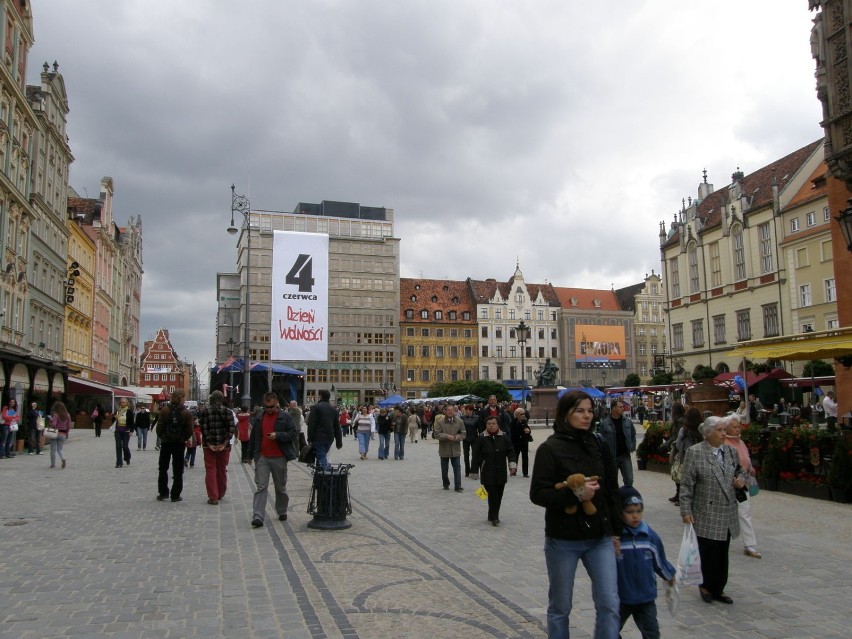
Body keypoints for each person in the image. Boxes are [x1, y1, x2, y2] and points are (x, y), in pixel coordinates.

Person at [529, 390, 621, 639]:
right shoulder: (550, 448)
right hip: (564, 538)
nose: (587, 416)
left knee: (610, 603)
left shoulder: (599, 444)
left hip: (599, 536)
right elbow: (538, 493)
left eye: (590, 410)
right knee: (561, 606)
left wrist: (617, 531)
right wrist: (576, 496)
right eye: (580, 411)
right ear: (566, 413)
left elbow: (612, 489)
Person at [679, 415, 748, 605]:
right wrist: (686, 511)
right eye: (720, 430)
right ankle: (705, 585)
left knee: (722, 553)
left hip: (726, 510)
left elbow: (741, 471)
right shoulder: (695, 452)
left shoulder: (730, 452)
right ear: (708, 433)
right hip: (706, 511)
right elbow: (686, 484)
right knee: (708, 552)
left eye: (725, 430)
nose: (724, 434)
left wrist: (741, 479)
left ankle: (719, 587)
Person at [616, 486, 675, 639]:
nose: (635, 516)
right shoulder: (616, 538)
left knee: (652, 632)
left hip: (645, 596)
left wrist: (668, 574)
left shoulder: (648, 535)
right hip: (621, 597)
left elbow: (659, 559)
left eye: (638, 511)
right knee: (610, 629)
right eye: (629, 512)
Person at [249, 392, 298, 527]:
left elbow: (293, 433)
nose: (269, 409)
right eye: (266, 407)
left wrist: (278, 435)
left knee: (280, 487)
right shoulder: (260, 417)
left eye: (271, 406)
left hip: (279, 457)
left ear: (276, 403)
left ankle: (282, 510)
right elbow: (254, 437)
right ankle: (258, 516)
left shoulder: (285, 417)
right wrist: (249, 455)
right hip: (263, 457)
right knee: (261, 486)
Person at [723, 414, 761, 559]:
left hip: (742, 484)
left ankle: (749, 545)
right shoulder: (724, 443)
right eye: (734, 427)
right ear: (726, 428)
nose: (738, 429)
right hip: (728, 485)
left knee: (745, 513)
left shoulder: (741, 442)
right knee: (723, 515)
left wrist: (750, 468)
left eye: (739, 426)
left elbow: (746, 459)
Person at [472, 415, 514, 525]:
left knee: (499, 495)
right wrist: (474, 471)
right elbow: (475, 455)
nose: (491, 426)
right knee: (492, 494)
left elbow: (510, 451)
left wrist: (512, 465)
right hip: (487, 471)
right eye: (489, 424)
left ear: (497, 425)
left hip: (501, 471)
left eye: (493, 424)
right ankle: (495, 517)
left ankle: (492, 514)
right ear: (486, 425)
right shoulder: (481, 437)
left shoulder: (504, 436)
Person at [155, 390, 194, 502]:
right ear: (182, 398)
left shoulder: (165, 410)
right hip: (179, 443)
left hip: (166, 442)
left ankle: (163, 493)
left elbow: (159, 427)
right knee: (178, 470)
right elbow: (189, 429)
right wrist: (183, 438)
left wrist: (163, 437)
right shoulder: (186, 412)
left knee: (163, 468)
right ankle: (175, 495)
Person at [198, 390, 235, 505]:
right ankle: (221, 492)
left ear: (212, 399)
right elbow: (231, 429)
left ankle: (213, 496)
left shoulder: (206, 412)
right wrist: (224, 444)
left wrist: (209, 444)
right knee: (222, 469)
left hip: (209, 447)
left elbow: (204, 429)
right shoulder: (228, 412)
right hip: (224, 446)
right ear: (222, 399)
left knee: (210, 470)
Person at [597, 399, 637, 487]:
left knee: (629, 480)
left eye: (623, 407)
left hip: (625, 456)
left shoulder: (627, 421)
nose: (623, 408)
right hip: (612, 457)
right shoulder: (605, 423)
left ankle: (627, 498)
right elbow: (601, 439)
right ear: (614, 408)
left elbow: (633, 434)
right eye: (620, 407)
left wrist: (633, 446)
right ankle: (615, 498)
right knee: (612, 481)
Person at [307, 389, 342, 470]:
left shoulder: (316, 407)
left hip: (319, 436)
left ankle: (326, 473)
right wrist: (339, 442)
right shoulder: (334, 410)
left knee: (321, 455)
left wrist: (310, 439)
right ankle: (319, 476)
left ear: (320, 397)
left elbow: (311, 424)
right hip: (330, 437)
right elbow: (337, 427)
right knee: (321, 455)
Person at [433, 404, 466, 492]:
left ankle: (458, 486)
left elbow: (463, 434)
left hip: (455, 449)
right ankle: (446, 483)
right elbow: (436, 434)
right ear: (445, 411)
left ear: (454, 411)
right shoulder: (440, 422)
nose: (450, 411)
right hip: (444, 448)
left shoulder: (459, 421)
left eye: (452, 410)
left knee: (457, 468)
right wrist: (446, 436)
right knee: (444, 469)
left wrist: (457, 437)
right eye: (448, 410)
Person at [48, 401, 72, 469]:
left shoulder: (56, 415)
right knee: (60, 449)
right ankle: (63, 458)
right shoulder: (68, 415)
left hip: (55, 433)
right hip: (63, 433)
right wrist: (66, 433)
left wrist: (50, 421)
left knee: (53, 449)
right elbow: (69, 426)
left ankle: (53, 464)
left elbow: (53, 425)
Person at [509, 406, 532, 478]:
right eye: (521, 414)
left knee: (525, 457)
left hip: (524, 442)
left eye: (524, 413)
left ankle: (525, 473)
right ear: (517, 415)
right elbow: (512, 432)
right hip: (516, 442)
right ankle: (514, 471)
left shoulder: (524, 421)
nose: (523, 415)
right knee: (515, 457)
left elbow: (528, 428)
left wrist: (528, 431)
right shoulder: (513, 422)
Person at [113, 399, 135, 468]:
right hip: (118, 430)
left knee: (125, 446)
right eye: (121, 402)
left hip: (126, 431)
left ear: (127, 403)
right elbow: (113, 421)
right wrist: (114, 417)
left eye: (124, 402)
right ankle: (119, 463)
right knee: (118, 446)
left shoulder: (129, 411)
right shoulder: (117, 411)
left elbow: (132, 422)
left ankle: (127, 457)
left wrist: (131, 431)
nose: (122, 403)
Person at [461, 404, 480, 478]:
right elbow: (460, 428)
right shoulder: (462, 418)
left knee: (475, 455)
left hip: (474, 438)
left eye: (469, 410)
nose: (467, 411)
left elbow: (479, 428)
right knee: (466, 456)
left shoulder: (477, 418)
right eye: (466, 410)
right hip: (465, 438)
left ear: (472, 411)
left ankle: (473, 470)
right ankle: (467, 471)